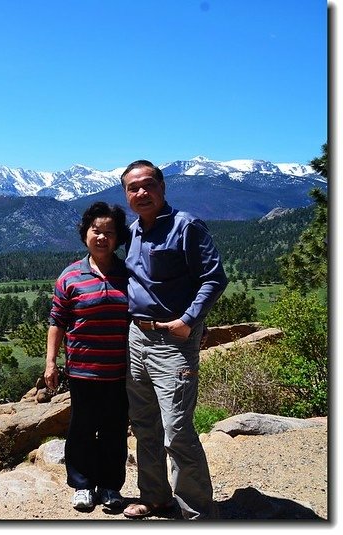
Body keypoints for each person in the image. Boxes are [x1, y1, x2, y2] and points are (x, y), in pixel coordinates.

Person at [119, 160, 228, 520]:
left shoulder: (186, 225)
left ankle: (196, 513)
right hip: (137, 338)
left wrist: (188, 320)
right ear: (126, 195)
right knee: (145, 423)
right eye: (133, 188)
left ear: (163, 188)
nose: (141, 193)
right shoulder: (133, 231)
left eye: (148, 185)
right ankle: (155, 497)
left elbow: (214, 278)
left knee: (177, 429)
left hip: (172, 340)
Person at [45, 201, 131, 512]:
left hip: (120, 370)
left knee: (114, 430)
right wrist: (51, 363)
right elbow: (57, 321)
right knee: (81, 429)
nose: (102, 237)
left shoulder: (129, 274)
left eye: (109, 232)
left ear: (118, 238)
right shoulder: (70, 277)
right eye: (96, 231)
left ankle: (109, 486)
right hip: (82, 371)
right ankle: (82, 485)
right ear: (85, 234)